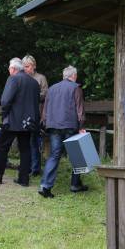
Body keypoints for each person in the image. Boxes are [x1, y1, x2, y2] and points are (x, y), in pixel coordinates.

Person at [0, 58, 40, 186]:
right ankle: (23, 179)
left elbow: (5, 100)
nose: (9, 71)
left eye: (9, 68)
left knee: (2, 147)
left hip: (12, 121)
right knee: (25, 149)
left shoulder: (13, 79)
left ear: (13, 69)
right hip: (28, 122)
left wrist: (5, 116)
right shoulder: (34, 82)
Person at [38, 66, 87, 198]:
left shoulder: (52, 89)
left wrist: (44, 123)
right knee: (76, 155)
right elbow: (80, 110)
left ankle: (45, 186)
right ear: (74, 76)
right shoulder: (76, 88)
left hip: (53, 126)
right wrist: (81, 125)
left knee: (54, 155)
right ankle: (75, 184)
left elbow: (45, 109)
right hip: (70, 126)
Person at [23, 55, 49, 176]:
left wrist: (32, 96)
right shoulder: (22, 78)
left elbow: (45, 95)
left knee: (35, 142)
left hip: (37, 114)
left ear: (34, 66)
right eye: (24, 67)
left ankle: (35, 168)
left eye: (28, 66)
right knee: (24, 142)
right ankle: (26, 166)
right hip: (24, 115)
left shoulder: (40, 78)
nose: (26, 69)